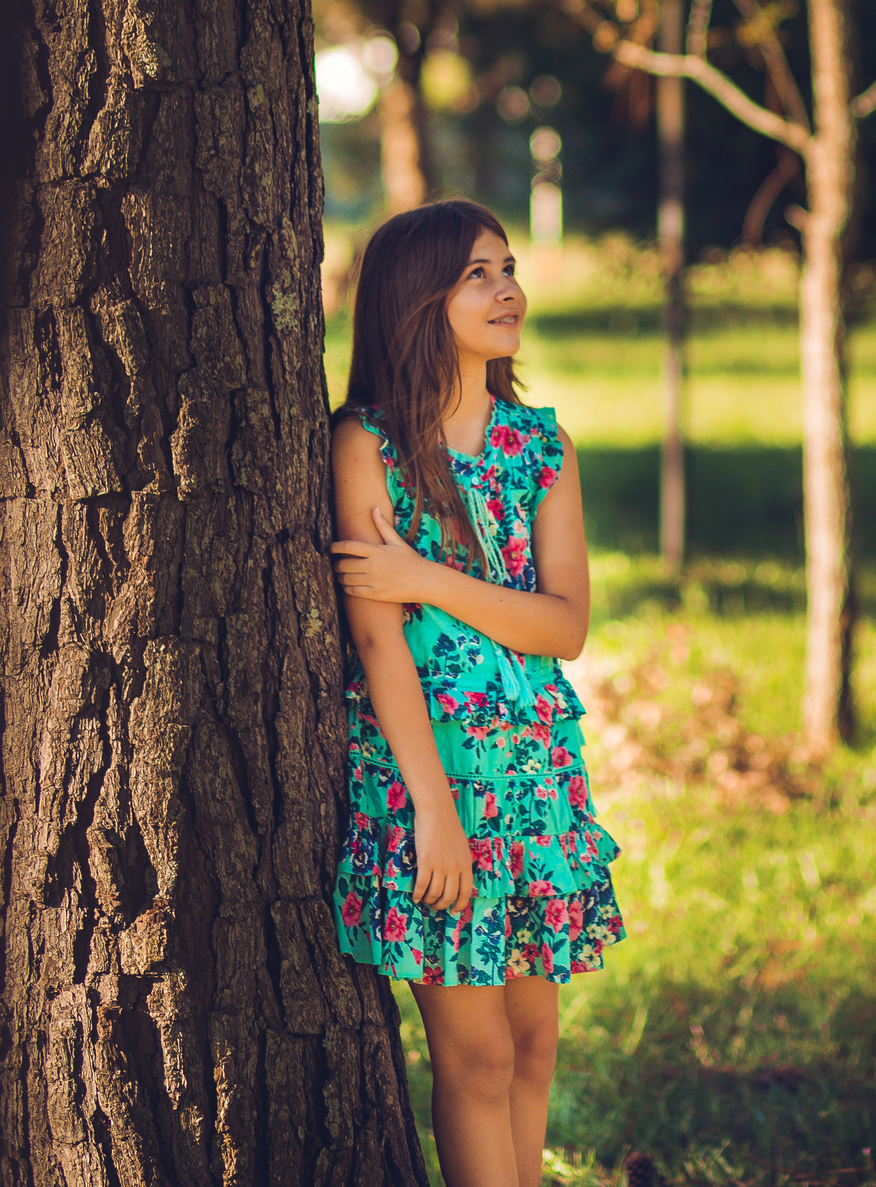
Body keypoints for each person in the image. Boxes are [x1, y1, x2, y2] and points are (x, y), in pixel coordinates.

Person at [330, 199, 624, 1187]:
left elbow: (564, 627)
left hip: (534, 780)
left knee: (534, 1045)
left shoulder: (540, 446)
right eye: (477, 274)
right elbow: (380, 641)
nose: (508, 291)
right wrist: (434, 813)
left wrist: (428, 580)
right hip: (432, 781)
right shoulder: (367, 443)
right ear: (418, 301)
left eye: (509, 268)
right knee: (480, 1056)